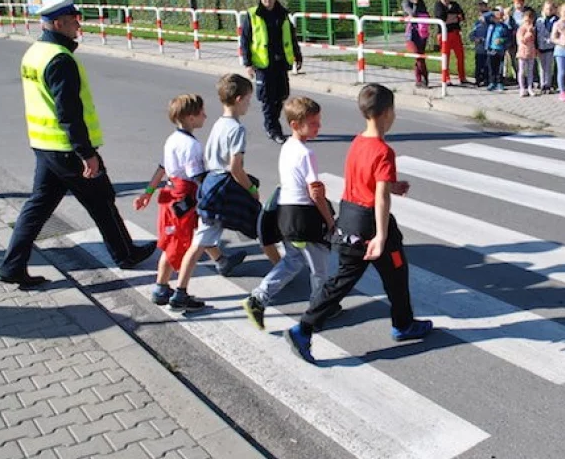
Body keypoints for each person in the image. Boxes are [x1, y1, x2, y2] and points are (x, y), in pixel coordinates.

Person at [0, 0, 155, 288]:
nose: (77, 28)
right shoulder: (60, 59)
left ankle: (12, 266)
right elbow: (68, 112)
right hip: (68, 149)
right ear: (57, 23)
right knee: (103, 201)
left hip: (44, 146)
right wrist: (87, 154)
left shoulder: (34, 52)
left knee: (37, 207)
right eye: (72, 22)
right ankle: (125, 254)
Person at [285, 84, 434, 364]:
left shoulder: (358, 142)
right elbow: (379, 199)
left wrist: (393, 185)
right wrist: (380, 234)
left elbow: (367, 180)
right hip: (370, 224)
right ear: (388, 113)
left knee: (351, 279)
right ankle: (401, 325)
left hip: (349, 217)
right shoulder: (383, 150)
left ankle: (305, 329)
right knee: (390, 273)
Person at [132, 94, 247, 306]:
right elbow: (198, 178)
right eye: (201, 112)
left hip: (171, 195)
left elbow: (162, 168)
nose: (205, 115)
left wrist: (148, 192)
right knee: (176, 244)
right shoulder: (191, 146)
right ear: (190, 118)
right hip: (185, 198)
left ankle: (221, 261)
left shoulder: (172, 139)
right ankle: (162, 287)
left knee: (200, 229)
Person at [243, 96, 339, 329]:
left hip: (286, 214)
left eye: (318, 122)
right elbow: (315, 193)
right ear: (296, 124)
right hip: (305, 217)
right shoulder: (307, 154)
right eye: (313, 123)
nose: (319, 127)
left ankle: (258, 297)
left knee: (293, 262)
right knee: (321, 267)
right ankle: (319, 309)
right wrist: (330, 221)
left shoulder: (287, 146)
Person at [171, 74, 262, 312]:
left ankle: (221, 263)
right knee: (203, 241)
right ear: (239, 99)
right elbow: (235, 167)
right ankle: (180, 292)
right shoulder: (237, 129)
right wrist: (251, 189)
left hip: (211, 183)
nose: (249, 104)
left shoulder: (219, 123)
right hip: (222, 188)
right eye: (249, 99)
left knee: (203, 238)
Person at [240, 0, 303, 145]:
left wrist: (297, 54)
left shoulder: (282, 13)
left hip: (280, 63)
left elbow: (291, 36)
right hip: (262, 64)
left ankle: (273, 126)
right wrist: (247, 63)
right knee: (268, 99)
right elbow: (245, 40)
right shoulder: (252, 15)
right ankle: (273, 129)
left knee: (280, 96)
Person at [433, 0, 467, 85]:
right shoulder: (438, 5)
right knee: (445, 57)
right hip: (444, 35)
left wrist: (452, 17)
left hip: (455, 34)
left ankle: (462, 77)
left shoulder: (455, 4)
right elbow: (442, 19)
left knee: (460, 56)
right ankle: (446, 78)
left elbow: (462, 17)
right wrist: (454, 17)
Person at [401, 0, 431, 89]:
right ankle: (425, 77)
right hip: (411, 33)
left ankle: (419, 80)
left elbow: (425, 14)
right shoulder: (406, 2)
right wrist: (414, 4)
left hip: (421, 32)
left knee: (420, 56)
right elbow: (411, 13)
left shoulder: (421, 2)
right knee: (418, 55)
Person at [485, 8, 511, 92]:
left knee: (500, 67)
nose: (498, 18)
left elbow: (508, 38)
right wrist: (493, 12)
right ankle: (492, 82)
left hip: (500, 50)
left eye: (500, 16)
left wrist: (502, 40)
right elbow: (485, 16)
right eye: (496, 16)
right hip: (491, 49)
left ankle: (499, 83)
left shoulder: (504, 26)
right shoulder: (490, 25)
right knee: (491, 67)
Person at [535, 0, 558, 94]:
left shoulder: (555, 20)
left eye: (551, 9)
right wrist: (536, 46)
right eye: (547, 9)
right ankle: (542, 84)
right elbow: (536, 33)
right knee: (542, 66)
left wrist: (547, 19)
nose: (549, 11)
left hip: (550, 47)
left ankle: (548, 84)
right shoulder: (539, 20)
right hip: (541, 47)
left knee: (548, 66)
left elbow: (549, 28)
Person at [469, 1, 491, 88]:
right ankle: (478, 80)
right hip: (479, 49)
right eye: (481, 13)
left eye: (484, 13)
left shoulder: (490, 25)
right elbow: (471, 35)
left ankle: (486, 80)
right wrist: (475, 39)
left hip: (488, 49)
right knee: (479, 65)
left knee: (487, 65)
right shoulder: (477, 25)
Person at [516, 8, 538, 97]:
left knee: (530, 71)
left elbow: (534, 40)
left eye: (530, 20)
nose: (528, 23)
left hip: (531, 51)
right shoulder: (521, 29)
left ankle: (530, 87)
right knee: (521, 71)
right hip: (523, 52)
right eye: (526, 20)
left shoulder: (533, 29)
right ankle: (522, 88)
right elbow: (521, 40)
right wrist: (527, 34)